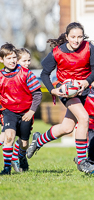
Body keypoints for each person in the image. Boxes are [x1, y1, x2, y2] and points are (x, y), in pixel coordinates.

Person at [27, 22, 94, 174]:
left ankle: (38, 140)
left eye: (80, 37)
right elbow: (44, 74)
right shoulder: (57, 52)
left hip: (83, 91)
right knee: (84, 117)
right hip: (67, 92)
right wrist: (53, 90)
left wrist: (86, 82)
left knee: (67, 128)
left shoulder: (89, 48)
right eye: (73, 37)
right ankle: (81, 161)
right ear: (66, 37)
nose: (76, 40)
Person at [0, 43, 42, 175]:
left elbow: (37, 94)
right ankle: (7, 168)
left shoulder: (26, 74)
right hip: (9, 111)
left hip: (26, 112)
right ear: (2, 60)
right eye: (8, 58)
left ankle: (21, 157)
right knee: (9, 137)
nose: (12, 61)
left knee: (24, 143)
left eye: (13, 57)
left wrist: (31, 111)